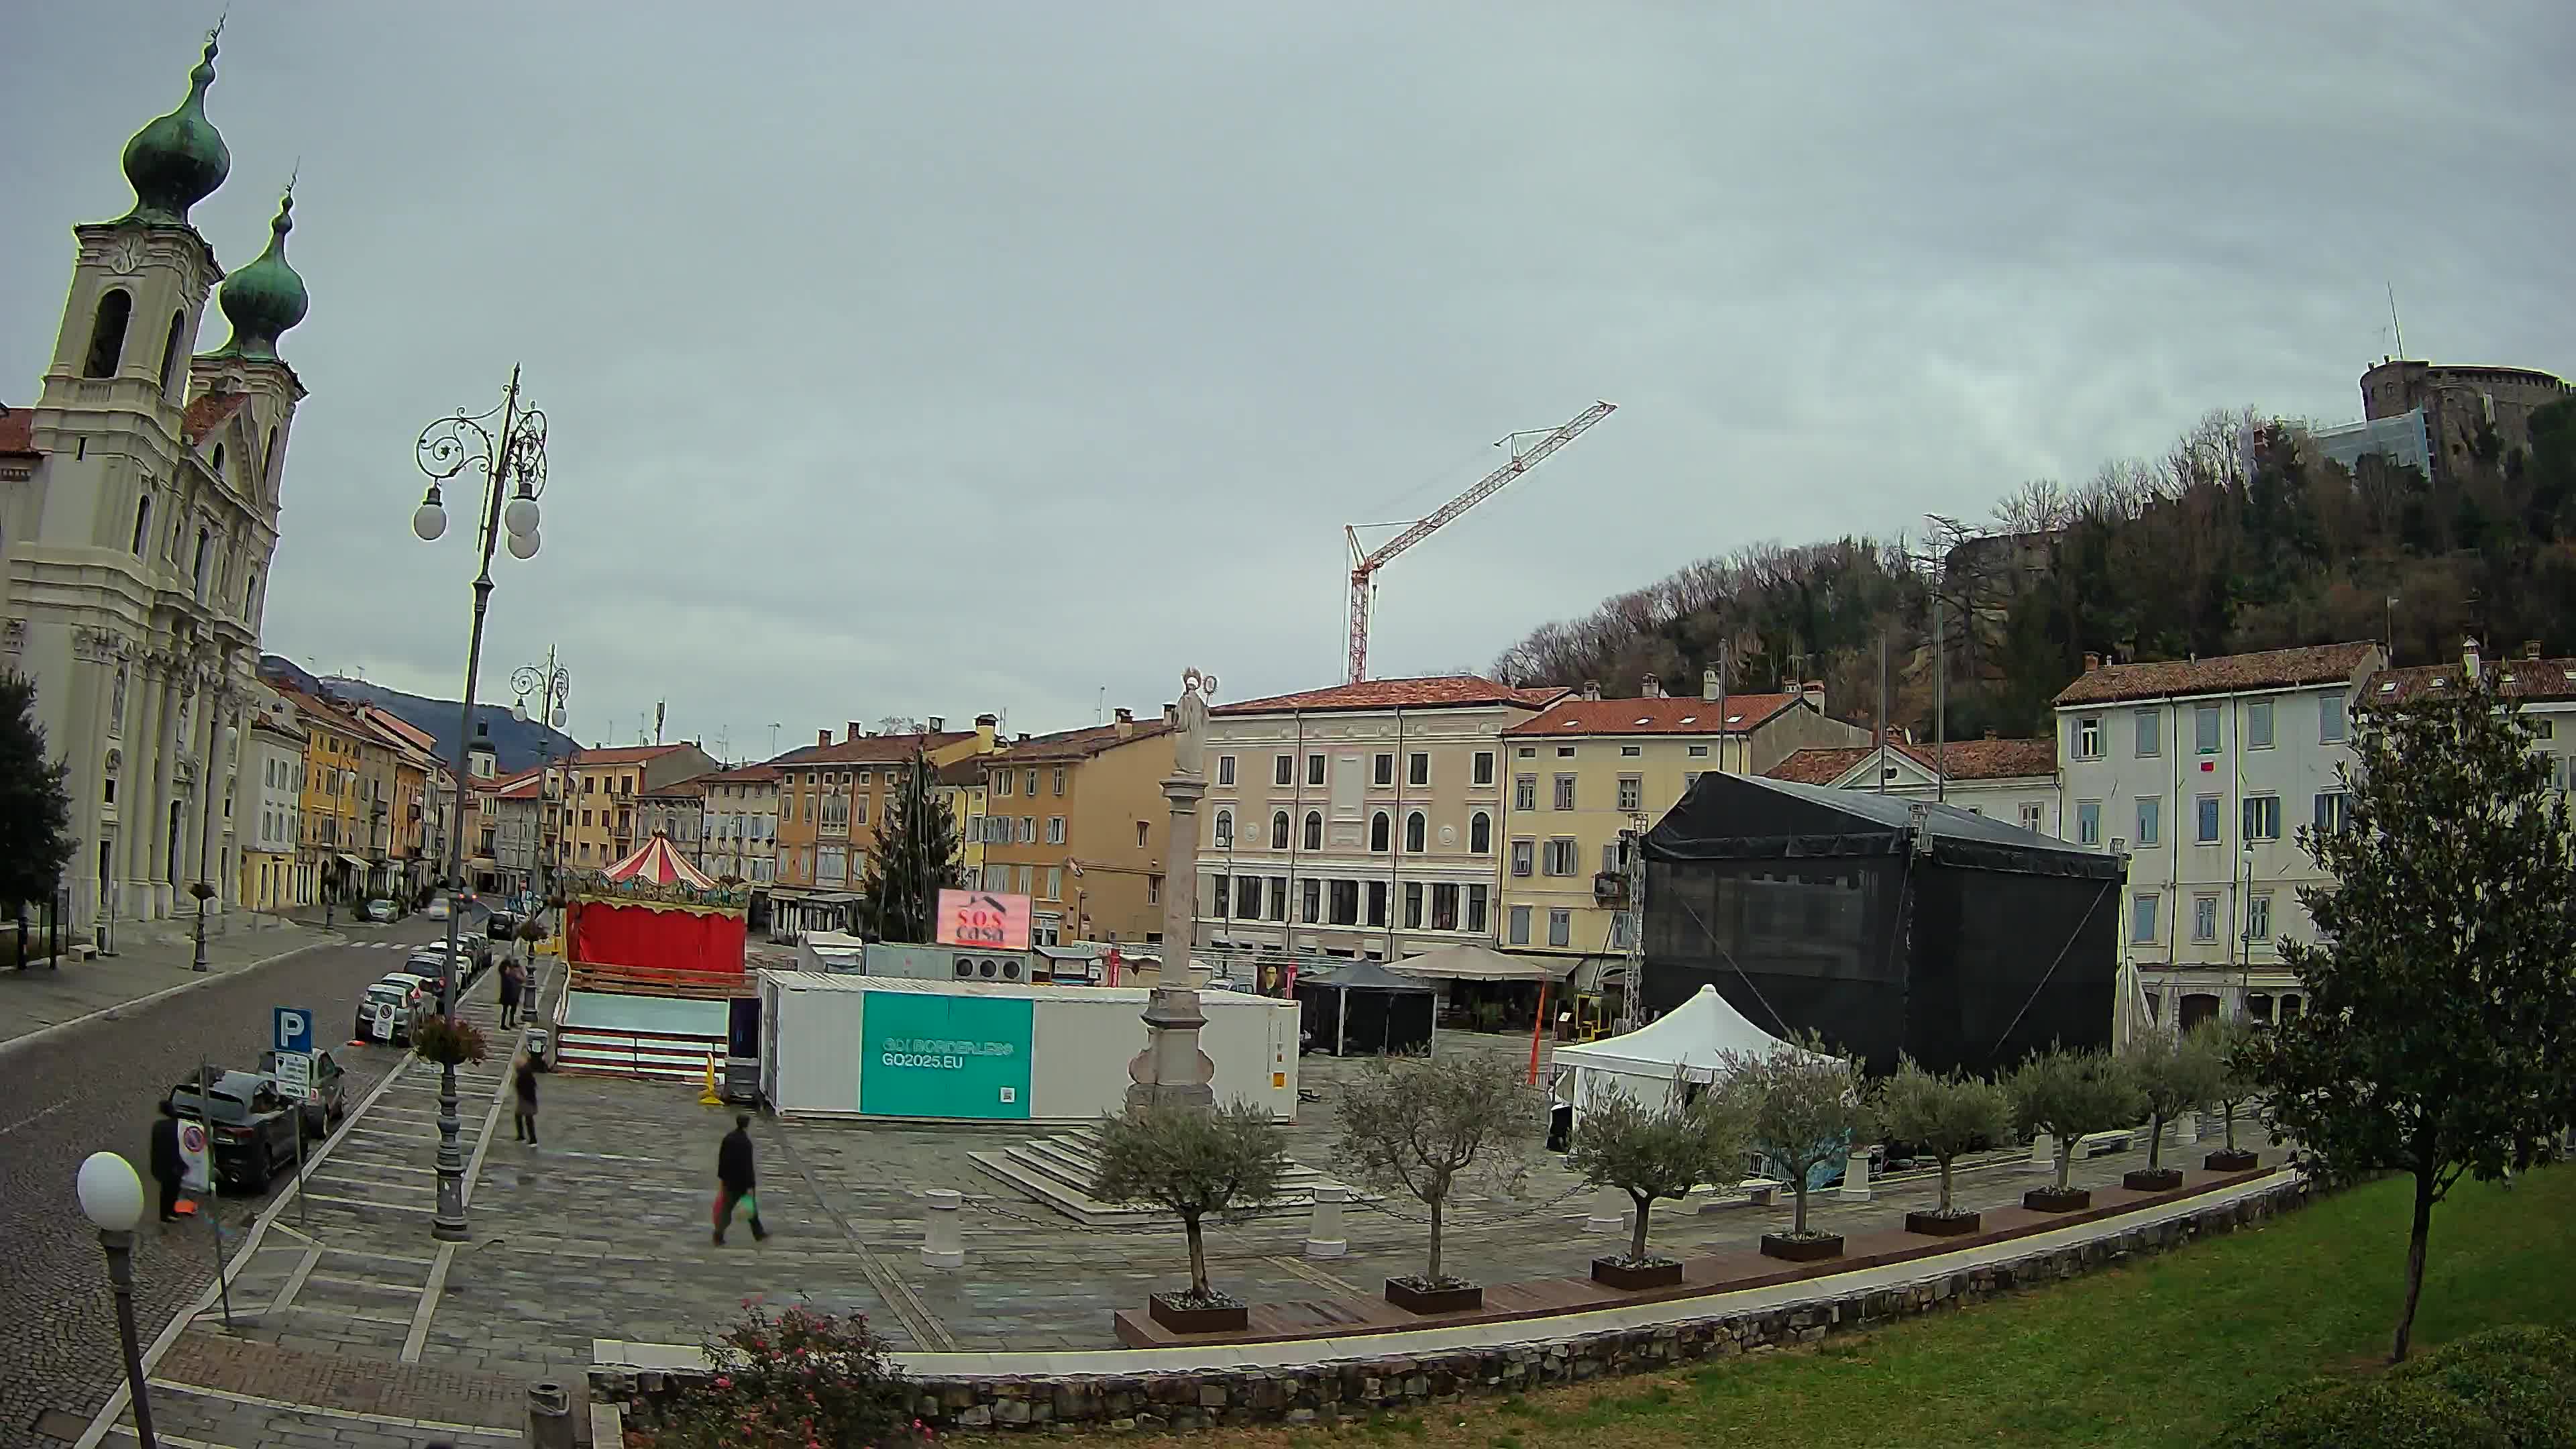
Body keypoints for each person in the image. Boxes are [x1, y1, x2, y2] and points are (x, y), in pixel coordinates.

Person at [714, 1112, 766, 1244]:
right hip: (743, 1184)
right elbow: (747, 1166)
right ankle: (759, 1234)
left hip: (729, 1182)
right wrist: (750, 1186)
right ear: (747, 1125)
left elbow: (722, 1159)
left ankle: (718, 1234)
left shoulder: (728, 1138)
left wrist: (722, 1178)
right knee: (750, 1209)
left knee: (726, 1209)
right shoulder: (746, 1143)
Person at [149, 1100, 184, 1224]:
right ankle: (167, 1213)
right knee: (172, 1189)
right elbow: (176, 1148)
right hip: (172, 1164)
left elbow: (155, 1147)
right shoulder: (174, 1126)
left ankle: (167, 1212)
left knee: (166, 1190)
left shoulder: (158, 1126)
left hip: (161, 1163)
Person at [512, 1051, 539, 1145]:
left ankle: (532, 1139)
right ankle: (523, 1136)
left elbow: (527, 1086)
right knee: (521, 1116)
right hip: (526, 1098)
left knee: (528, 1119)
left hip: (527, 1099)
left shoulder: (525, 1074)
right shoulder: (525, 1072)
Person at [498, 958, 523, 1030]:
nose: (508, 970)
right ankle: (503, 1025)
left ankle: (511, 1022)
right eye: (507, 968)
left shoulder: (510, 974)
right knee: (505, 1010)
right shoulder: (505, 976)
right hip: (507, 995)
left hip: (512, 994)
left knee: (513, 1008)